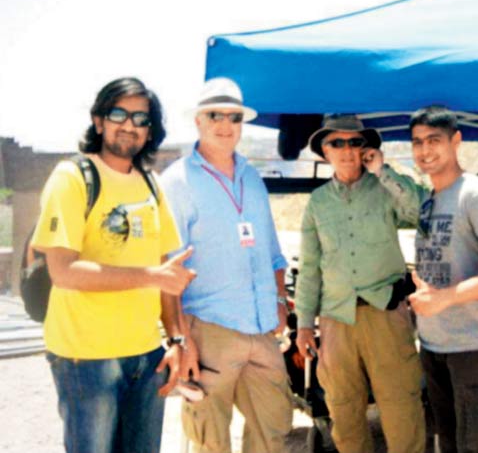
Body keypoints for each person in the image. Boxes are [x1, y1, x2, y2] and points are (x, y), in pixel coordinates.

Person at [31, 77, 196, 453]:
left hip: (146, 356)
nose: (130, 124)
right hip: (86, 357)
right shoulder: (72, 177)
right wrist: (153, 277)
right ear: (99, 120)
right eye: (119, 113)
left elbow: (165, 271)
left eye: (141, 118)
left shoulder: (152, 184)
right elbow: (64, 271)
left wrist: (177, 340)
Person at [376, 105, 478, 453]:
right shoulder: (431, 201)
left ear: (456, 141)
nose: (425, 150)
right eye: (417, 142)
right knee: (452, 445)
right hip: (436, 347)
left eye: (434, 140)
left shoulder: (474, 194)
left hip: (476, 350)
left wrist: (445, 298)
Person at [160, 77, 292, 453]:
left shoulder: (252, 177)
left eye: (234, 117)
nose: (225, 124)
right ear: (198, 121)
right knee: (210, 441)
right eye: (214, 115)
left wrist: (280, 302)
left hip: (263, 330)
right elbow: (168, 271)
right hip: (209, 332)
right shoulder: (177, 181)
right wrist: (181, 340)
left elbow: (273, 253)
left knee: (274, 433)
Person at [295, 115, 426, 453]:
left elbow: (423, 212)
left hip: (385, 316)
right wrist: (305, 325)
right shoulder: (318, 202)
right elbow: (310, 268)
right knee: (344, 414)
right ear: (325, 151)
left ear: (365, 148)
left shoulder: (384, 189)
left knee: (401, 410)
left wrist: (383, 171)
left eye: (354, 142)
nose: (347, 150)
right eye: (337, 143)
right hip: (336, 321)